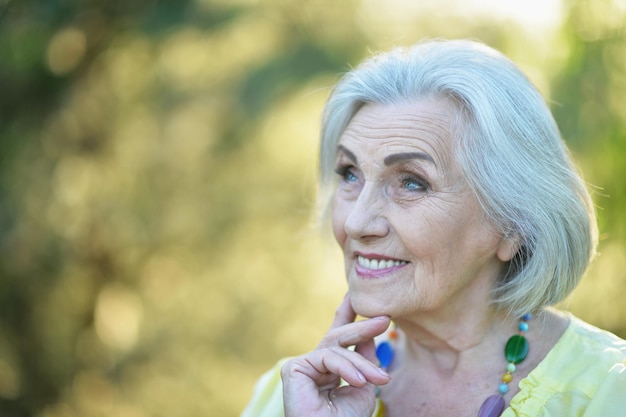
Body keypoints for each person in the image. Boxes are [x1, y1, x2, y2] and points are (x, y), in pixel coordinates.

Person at [241, 39, 626, 417]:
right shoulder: (291, 394)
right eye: (349, 173)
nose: (356, 222)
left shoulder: (608, 393)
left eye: (411, 182)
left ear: (513, 224)